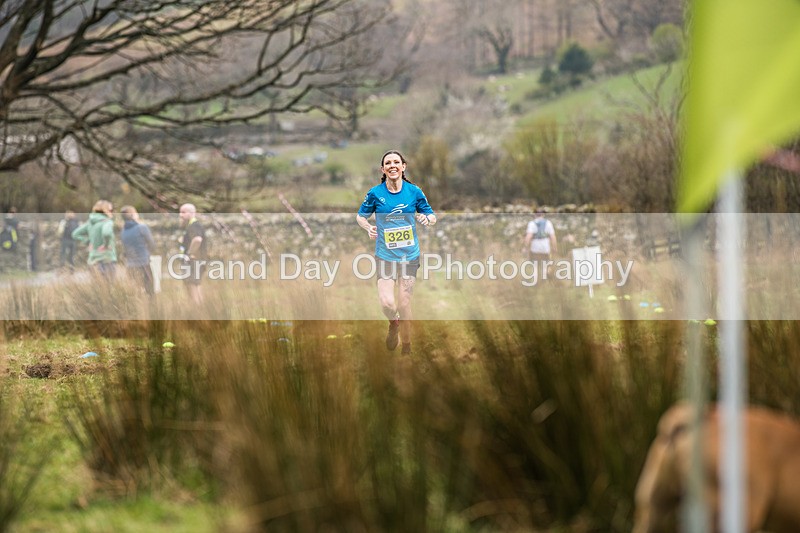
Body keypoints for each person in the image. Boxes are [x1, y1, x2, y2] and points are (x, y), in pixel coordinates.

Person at [356, 150, 436, 355]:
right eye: (388, 163)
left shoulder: (414, 192)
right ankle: (394, 324)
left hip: (409, 256)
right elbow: (360, 217)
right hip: (385, 256)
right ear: (383, 169)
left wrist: (427, 219)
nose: (392, 165)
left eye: (396, 162)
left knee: (404, 302)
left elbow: (431, 215)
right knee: (387, 303)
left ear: (403, 166)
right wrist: (368, 227)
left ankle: (407, 348)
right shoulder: (375, 193)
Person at [72, 200, 117, 279]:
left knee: (98, 288)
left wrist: (88, 241)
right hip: (107, 260)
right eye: (111, 210)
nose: (112, 212)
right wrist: (106, 245)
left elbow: (75, 234)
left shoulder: (90, 222)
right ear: (105, 210)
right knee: (109, 288)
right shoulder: (107, 222)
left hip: (93, 260)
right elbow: (106, 233)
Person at [120, 206, 156, 295]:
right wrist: (148, 253)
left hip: (130, 266)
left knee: (135, 292)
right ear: (133, 215)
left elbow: (125, 249)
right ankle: (151, 308)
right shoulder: (142, 227)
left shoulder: (123, 231)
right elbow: (152, 244)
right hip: (143, 264)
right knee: (149, 290)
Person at [178, 203, 206, 305]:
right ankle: (202, 314)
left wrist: (189, 254)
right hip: (196, 262)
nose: (180, 215)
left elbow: (197, 240)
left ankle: (197, 315)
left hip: (193, 263)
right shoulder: (191, 225)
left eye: (183, 212)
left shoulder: (194, 225)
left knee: (192, 289)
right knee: (196, 287)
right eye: (180, 212)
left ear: (192, 213)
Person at [523, 207, 557, 283]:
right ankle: (545, 281)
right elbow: (552, 236)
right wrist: (554, 247)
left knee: (535, 265)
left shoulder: (532, 223)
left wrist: (525, 247)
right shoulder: (548, 223)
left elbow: (528, 236)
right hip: (545, 248)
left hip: (535, 248)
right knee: (545, 265)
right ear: (543, 214)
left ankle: (535, 282)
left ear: (535, 214)